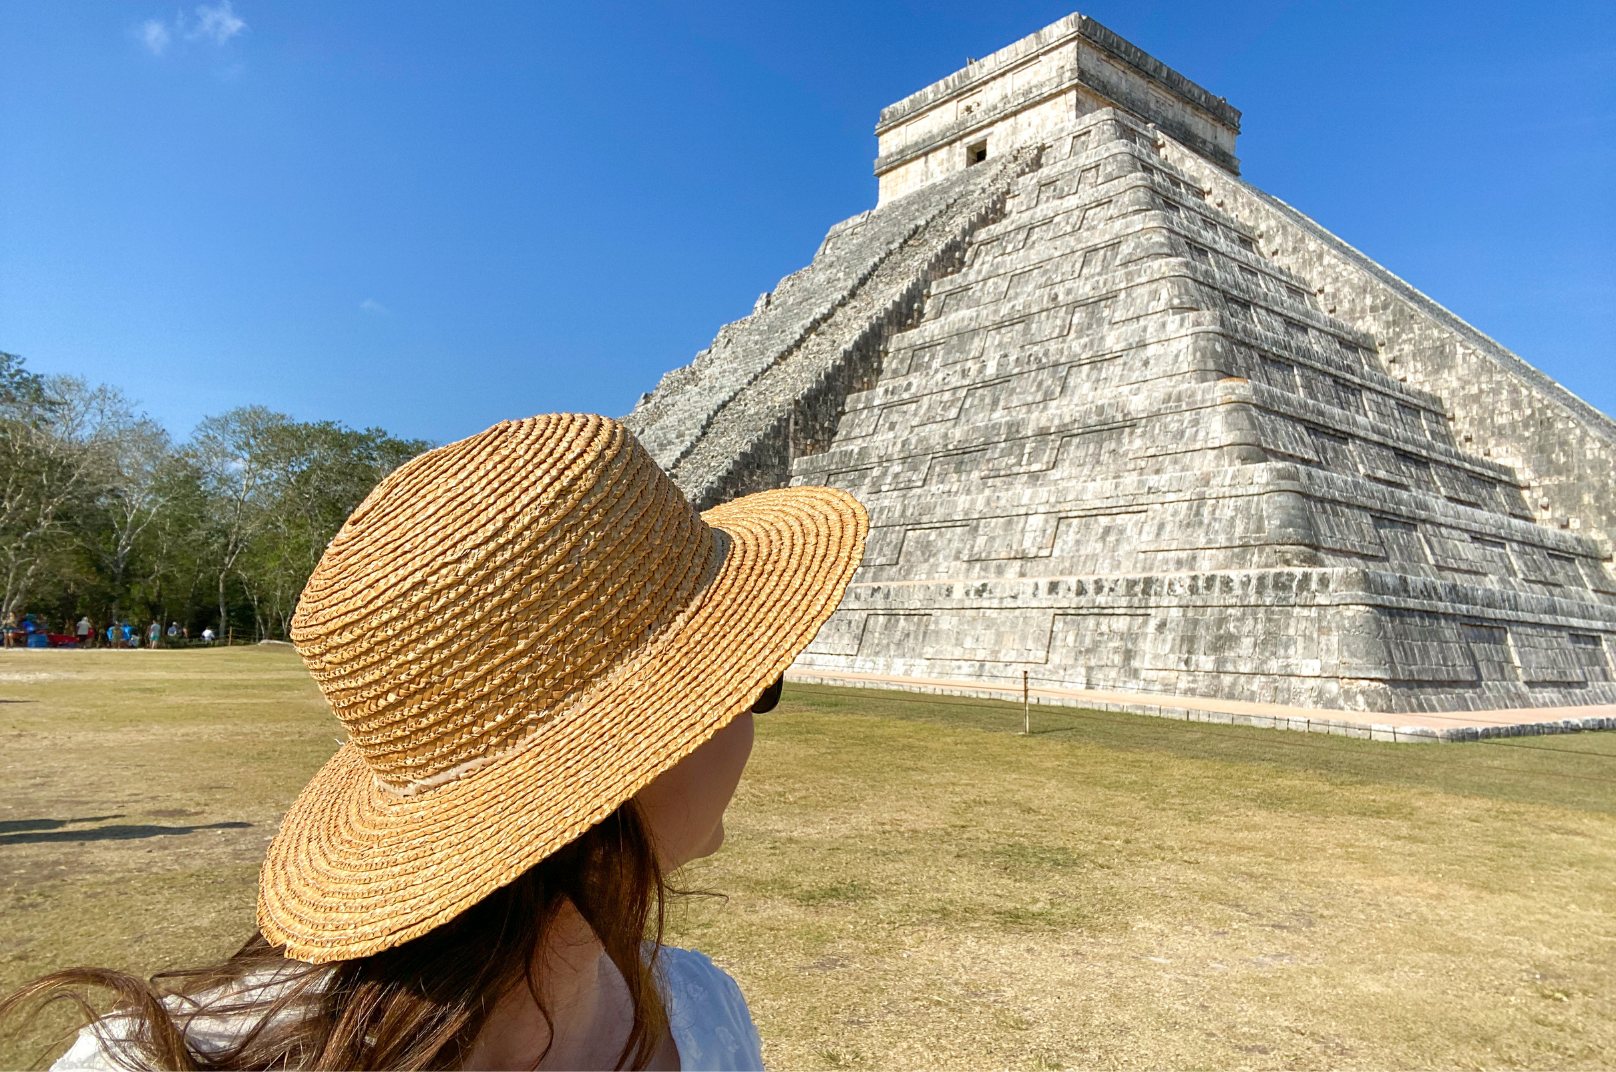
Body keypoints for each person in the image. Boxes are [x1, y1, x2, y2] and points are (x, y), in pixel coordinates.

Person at [1, 414, 868, 1071]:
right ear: (636, 761)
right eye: (758, 686)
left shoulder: (706, 1009)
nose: (757, 721)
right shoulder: (695, 1018)